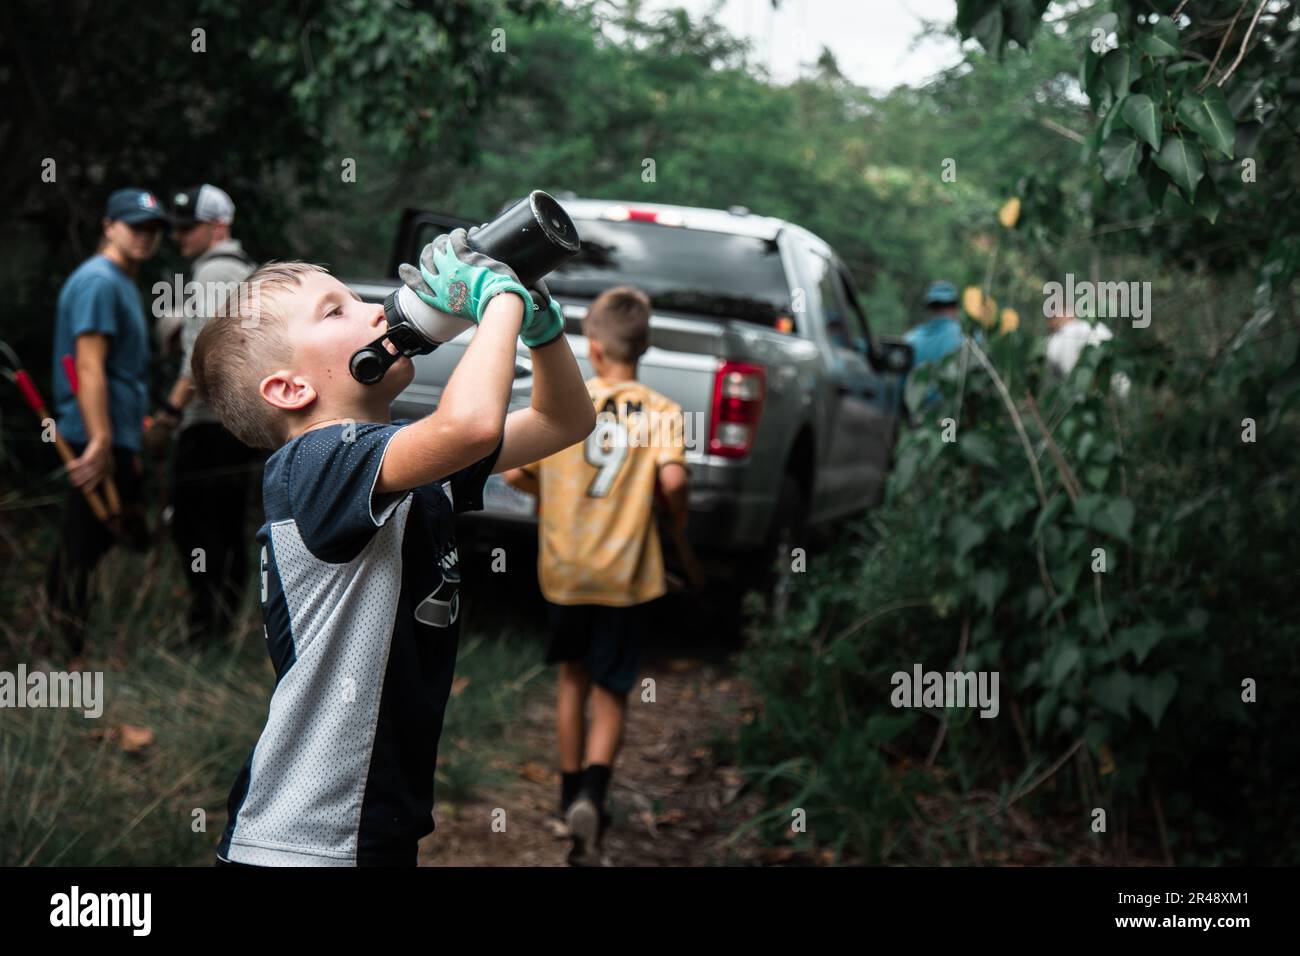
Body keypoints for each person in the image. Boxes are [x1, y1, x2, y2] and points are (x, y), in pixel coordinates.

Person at [193, 231, 595, 867]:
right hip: (308, 836)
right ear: (290, 389)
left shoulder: (403, 465)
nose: (375, 310)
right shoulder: (311, 467)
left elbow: (562, 422)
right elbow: (470, 425)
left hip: (371, 825)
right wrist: (496, 301)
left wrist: (541, 332)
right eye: (336, 311)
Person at [502, 285, 690, 866]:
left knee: (572, 681)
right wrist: (672, 518)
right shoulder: (661, 411)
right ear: (643, 347)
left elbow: (512, 474)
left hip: (565, 570)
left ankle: (563, 803)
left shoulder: (566, 404)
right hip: (627, 579)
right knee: (612, 690)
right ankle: (594, 796)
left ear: (594, 347)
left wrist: (549, 492)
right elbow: (675, 483)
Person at [43, 187, 169, 661]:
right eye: (136, 226)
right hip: (94, 436)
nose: (146, 237)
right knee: (81, 546)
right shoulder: (98, 281)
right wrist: (99, 439)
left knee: (97, 541)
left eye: (154, 230)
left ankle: (71, 646)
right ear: (108, 225)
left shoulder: (120, 280)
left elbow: (118, 372)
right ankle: (64, 655)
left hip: (114, 434)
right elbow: (89, 365)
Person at [143, 184, 260, 645]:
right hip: (241, 423)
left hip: (209, 424)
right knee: (227, 526)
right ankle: (220, 627)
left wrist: (169, 415)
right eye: (177, 228)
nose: (179, 236)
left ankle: (205, 631)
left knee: (195, 526)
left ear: (219, 226)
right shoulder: (246, 272)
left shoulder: (215, 273)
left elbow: (201, 360)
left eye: (189, 227)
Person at [904, 280, 968, 411]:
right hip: (951, 420)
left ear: (930, 307)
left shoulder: (909, 339)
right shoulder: (966, 337)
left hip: (914, 419)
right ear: (955, 307)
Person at [1044, 307, 1131, 399]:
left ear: (1052, 322)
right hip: (1115, 388)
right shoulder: (1098, 327)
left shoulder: (1055, 340)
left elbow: (1055, 371)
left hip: (1081, 397)